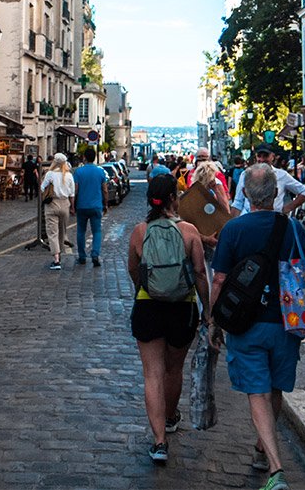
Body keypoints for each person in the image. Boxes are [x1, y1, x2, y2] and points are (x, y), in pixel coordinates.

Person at [211, 165, 305, 490]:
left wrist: (213, 320)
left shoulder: (233, 230)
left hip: (246, 324)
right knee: (273, 389)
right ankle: (262, 447)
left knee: (257, 390)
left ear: (244, 193)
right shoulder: (295, 229)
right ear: (275, 194)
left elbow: (219, 280)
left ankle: (275, 469)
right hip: (287, 324)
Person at [128, 174, 212, 466]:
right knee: (173, 370)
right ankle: (172, 417)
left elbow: (133, 269)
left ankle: (159, 441)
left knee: (152, 374)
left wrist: (146, 288)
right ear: (175, 199)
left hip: (148, 307)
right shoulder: (189, 231)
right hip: (182, 307)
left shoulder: (140, 231)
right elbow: (201, 273)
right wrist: (208, 311)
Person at [231, 146, 305, 217]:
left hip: (273, 219)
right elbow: (238, 202)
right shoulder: (246, 174)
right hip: (249, 218)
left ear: (273, 156)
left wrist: (286, 209)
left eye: (265, 156)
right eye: (259, 156)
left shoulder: (281, 175)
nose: (261, 159)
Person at [40, 153, 75, 270]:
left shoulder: (50, 174)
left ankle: (56, 259)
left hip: (52, 203)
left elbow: (42, 187)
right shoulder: (69, 175)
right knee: (62, 232)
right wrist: (72, 207)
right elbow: (72, 193)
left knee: (52, 232)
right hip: (65, 203)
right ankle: (59, 254)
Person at [74, 147, 108, 267]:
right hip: (96, 205)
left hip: (82, 205)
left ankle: (82, 256)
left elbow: (76, 190)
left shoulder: (78, 172)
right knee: (97, 231)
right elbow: (104, 189)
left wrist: (72, 204)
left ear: (84, 157)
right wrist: (105, 203)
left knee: (81, 231)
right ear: (94, 158)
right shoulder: (100, 172)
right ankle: (95, 254)